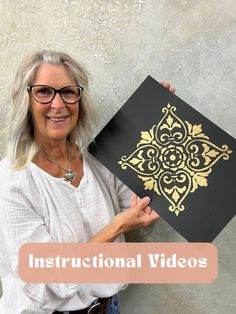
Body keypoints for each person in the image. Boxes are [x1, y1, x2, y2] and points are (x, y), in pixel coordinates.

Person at [0, 50, 176, 314]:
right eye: (44, 92)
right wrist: (116, 228)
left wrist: (158, 127)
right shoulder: (12, 181)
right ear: (26, 100)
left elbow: (136, 200)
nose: (58, 104)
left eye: (68, 92)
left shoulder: (96, 161)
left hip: (107, 308)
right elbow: (43, 281)